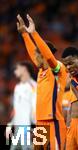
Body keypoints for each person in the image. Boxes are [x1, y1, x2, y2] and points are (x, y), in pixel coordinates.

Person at [17, 14, 67, 149]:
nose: (34, 56)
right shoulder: (41, 71)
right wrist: (24, 35)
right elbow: (35, 53)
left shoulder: (57, 69)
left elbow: (49, 57)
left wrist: (33, 33)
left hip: (54, 120)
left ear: (43, 55)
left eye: (37, 54)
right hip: (41, 121)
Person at [6, 61, 37, 150]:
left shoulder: (34, 86)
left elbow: (35, 108)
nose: (15, 71)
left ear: (24, 70)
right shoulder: (17, 87)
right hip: (17, 129)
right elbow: (16, 110)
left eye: (18, 68)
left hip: (27, 128)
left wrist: (34, 127)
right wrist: (10, 125)